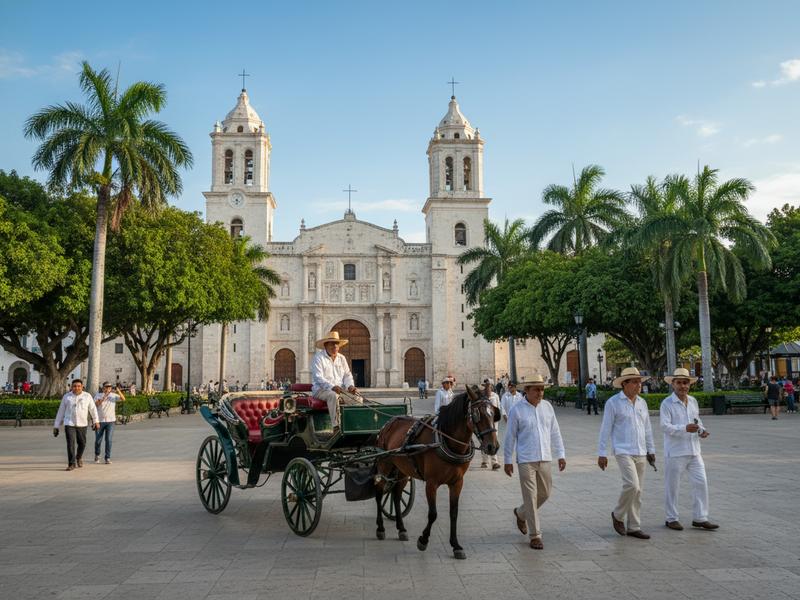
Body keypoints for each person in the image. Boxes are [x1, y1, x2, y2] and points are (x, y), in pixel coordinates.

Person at [504, 375, 566, 550]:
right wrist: (508, 460)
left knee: (545, 493)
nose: (540, 393)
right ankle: (535, 535)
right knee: (530, 497)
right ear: (527, 391)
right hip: (525, 459)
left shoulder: (547, 408)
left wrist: (561, 454)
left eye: (542, 389)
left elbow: (555, 432)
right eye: (536, 389)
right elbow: (510, 437)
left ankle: (520, 513)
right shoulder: (517, 410)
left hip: (545, 457)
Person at [597, 367, 656, 540]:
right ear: (624, 384)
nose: (639, 385)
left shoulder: (642, 403)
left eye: (639, 382)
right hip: (623, 450)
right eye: (635, 382)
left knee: (638, 492)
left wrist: (651, 450)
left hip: (640, 450)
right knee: (632, 485)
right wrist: (602, 453)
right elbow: (605, 429)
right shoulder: (613, 403)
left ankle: (634, 527)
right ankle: (617, 515)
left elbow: (647, 429)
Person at [660, 368, 719, 531]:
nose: (682, 386)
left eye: (685, 383)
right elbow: (665, 426)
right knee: (672, 486)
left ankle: (700, 517)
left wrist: (701, 430)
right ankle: (671, 518)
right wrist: (684, 428)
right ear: (673, 384)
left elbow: (697, 420)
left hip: (694, 450)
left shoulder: (692, 401)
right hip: (675, 451)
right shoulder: (667, 403)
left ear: (689, 385)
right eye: (679, 383)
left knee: (701, 483)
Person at [311, 331, 360, 431]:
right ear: (326, 345)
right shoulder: (318, 358)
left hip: (340, 390)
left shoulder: (342, 358)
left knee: (358, 398)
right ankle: (336, 427)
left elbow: (347, 375)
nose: (335, 346)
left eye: (336, 344)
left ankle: (354, 424)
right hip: (321, 390)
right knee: (333, 396)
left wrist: (350, 386)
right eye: (332, 344)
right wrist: (332, 387)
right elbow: (318, 377)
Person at [53, 379, 99, 471]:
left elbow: (93, 409)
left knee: (82, 443)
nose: (76, 388)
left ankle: (79, 457)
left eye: (78, 386)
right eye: (74, 386)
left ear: (82, 387)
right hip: (69, 423)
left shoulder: (87, 396)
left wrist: (96, 421)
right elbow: (61, 411)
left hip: (82, 424)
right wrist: (56, 425)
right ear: (71, 387)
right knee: (70, 444)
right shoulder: (67, 397)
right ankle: (71, 463)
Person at [94, 381, 125, 464]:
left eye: (110, 387)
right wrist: (104, 396)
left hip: (110, 421)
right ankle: (97, 455)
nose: (108, 388)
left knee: (109, 440)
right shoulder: (98, 395)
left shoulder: (113, 396)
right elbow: (96, 404)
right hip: (99, 421)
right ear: (103, 388)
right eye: (107, 387)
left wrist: (118, 391)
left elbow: (123, 399)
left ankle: (107, 457)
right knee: (98, 440)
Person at [480, 379, 502, 470]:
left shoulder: (495, 396)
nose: (487, 387)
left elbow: (498, 408)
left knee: (494, 440)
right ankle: (485, 461)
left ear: (492, 387)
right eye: (486, 386)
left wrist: (497, 419)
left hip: (493, 424)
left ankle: (494, 462)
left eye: (489, 386)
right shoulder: (481, 397)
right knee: (484, 440)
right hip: (484, 425)